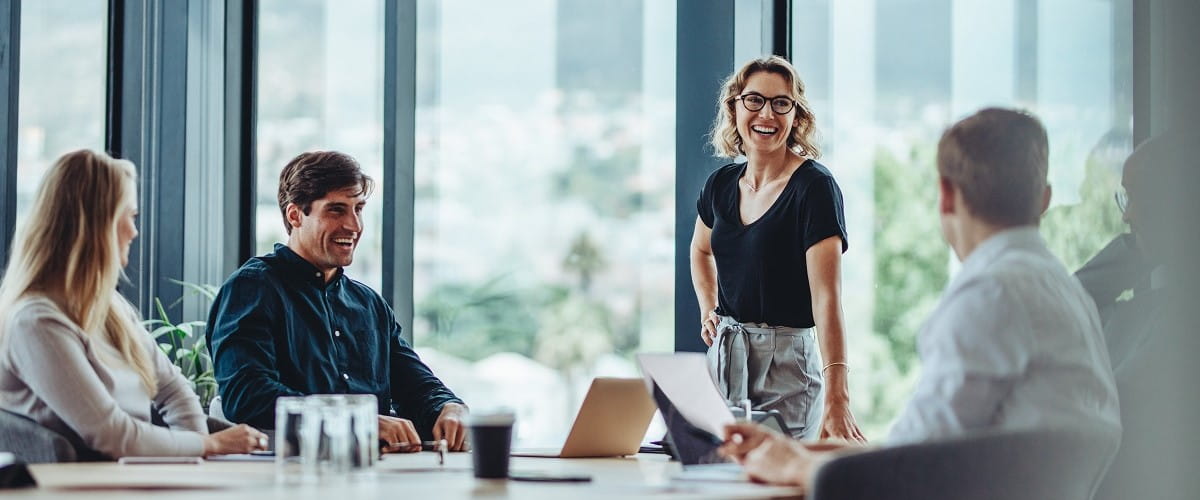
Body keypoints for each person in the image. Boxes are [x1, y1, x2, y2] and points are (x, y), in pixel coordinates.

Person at [718, 108, 1121, 489]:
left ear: (945, 196)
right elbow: (928, 446)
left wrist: (792, 465)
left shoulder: (989, 295)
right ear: (1044, 199)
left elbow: (910, 473)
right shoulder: (1064, 291)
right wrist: (800, 450)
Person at [0, 150, 267, 458]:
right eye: (130, 216)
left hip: (130, 477)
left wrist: (195, 454)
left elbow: (172, 389)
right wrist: (209, 444)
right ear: (97, 225)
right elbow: (111, 434)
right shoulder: (36, 322)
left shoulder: (109, 307)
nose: (134, 231)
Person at [207, 151, 468, 452]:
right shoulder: (252, 288)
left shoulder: (369, 304)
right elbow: (247, 396)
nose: (354, 225)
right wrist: (357, 421)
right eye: (336, 211)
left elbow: (415, 384)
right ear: (295, 215)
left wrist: (449, 406)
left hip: (375, 474)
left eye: (358, 209)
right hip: (286, 476)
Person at [691, 55, 863, 441]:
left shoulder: (814, 188)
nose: (766, 113)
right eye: (754, 100)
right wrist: (708, 308)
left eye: (780, 103)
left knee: (777, 490)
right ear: (734, 107)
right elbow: (701, 251)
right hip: (724, 358)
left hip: (787, 366)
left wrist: (839, 396)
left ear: (796, 115)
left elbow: (827, 299)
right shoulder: (720, 185)